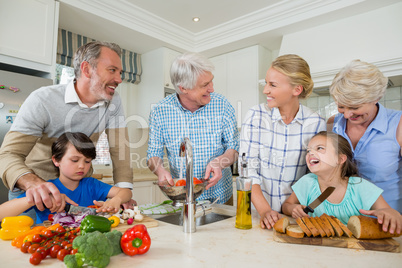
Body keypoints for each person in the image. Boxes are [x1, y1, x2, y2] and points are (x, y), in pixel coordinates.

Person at [0, 41, 134, 221]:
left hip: (78, 192)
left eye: (120, 72)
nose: (119, 79)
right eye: (112, 70)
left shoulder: (113, 101)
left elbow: (120, 150)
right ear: (87, 69)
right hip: (33, 194)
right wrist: (36, 185)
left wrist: (123, 196)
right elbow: (8, 154)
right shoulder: (43, 100)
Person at [239, 54, 326, 229]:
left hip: (298, 217)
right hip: (258, 216)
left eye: (273, 85)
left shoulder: (316, 123)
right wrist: (265, 211)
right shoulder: (256, 116)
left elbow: (314, 175)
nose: (265, 90)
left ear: (296, 90)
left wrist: (293, 207)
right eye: (266, 83)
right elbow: (248, 170)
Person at [147, 52, 239, 204]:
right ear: (184, 88)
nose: (212, 89)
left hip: (221, 196)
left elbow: (234, 149)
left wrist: (220, 161)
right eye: (205, 85)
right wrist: (160, 171)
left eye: (211, 81)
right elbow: (153, 154)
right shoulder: (160, 111)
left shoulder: (222, 104)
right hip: (183, 198)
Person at [282, 131, 402, 233]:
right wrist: (293, 208)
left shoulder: (361, 187)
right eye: (308, 151)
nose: (310, 153)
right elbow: (286, 206)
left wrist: (391, 214)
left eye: (320, 148)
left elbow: (387, 211)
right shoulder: (306, 183)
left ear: (340, 159)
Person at [0, 132, 132, 222]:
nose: (82, 166)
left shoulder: (92, 184)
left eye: (87, 161)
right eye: (74, 160)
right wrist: (37, 199)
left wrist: (116, 200)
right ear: (56, 160)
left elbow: (126, 192)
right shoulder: (48, 189)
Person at [327, 59, 402, 213]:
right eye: (341, 106)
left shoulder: (398, 123)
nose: (347, 115)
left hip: (386, 223)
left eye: (355, 107)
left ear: (376, 98)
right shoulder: (332, 123)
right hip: (341, 219)